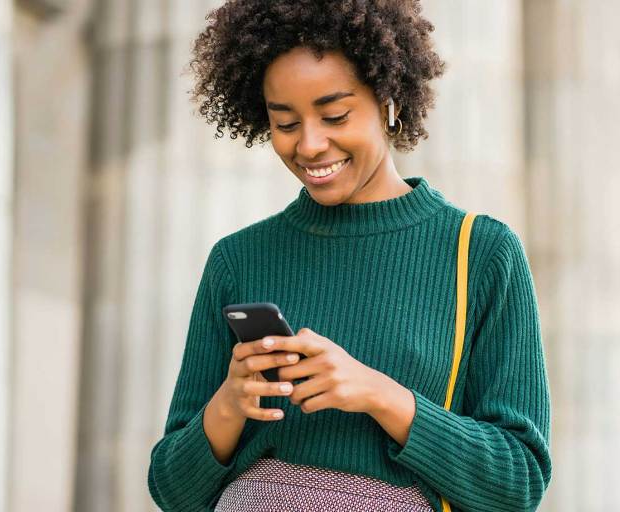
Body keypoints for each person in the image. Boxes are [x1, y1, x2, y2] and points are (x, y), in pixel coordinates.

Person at [147, 1, 552, 511]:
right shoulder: (238, 259)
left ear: (388, 101)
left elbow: (517, 484)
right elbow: (172, 491)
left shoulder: (481, 253)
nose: (310, 145)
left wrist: (379, 394)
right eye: (286, 123)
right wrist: (229, 404)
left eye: (335, 115)